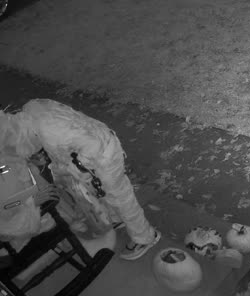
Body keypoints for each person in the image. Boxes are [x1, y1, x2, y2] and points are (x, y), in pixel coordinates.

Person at [0, 99, 161, 261]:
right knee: (107, 195)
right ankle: (118, 218)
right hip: (94, 148)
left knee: (121, 198)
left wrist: (74, 170)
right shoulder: (32, 109)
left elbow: (91, 147)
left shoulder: (50, 133)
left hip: (103, 157)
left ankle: (145, 237)